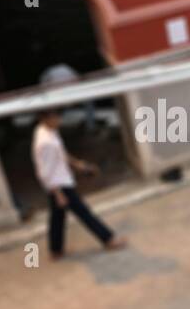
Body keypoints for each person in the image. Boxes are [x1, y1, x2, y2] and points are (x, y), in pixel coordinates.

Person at [31, 110, 125, 259]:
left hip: (61, 180)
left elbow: (61, 152)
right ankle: (108, 239)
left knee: (57, 217)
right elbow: (44, 172)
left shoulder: (47, 131)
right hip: (59, 185)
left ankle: (55, 250)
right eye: (55, 117)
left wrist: (78, 164)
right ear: (45, 119)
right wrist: (58, 194)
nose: (59, 120)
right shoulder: (45, 143)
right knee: (84, 212)